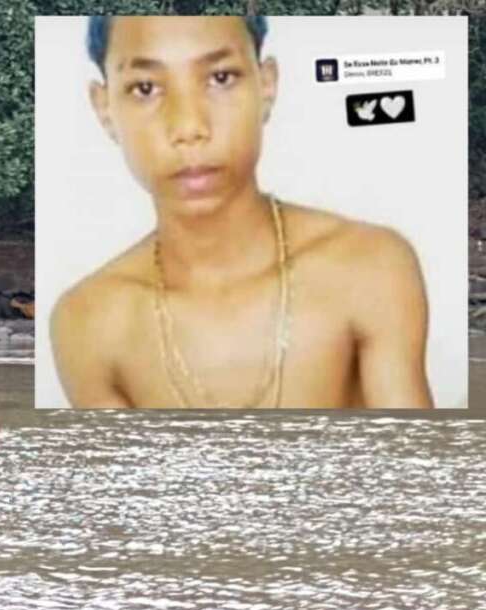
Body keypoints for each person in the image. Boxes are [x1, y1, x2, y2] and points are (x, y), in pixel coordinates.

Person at [50, 16, 432, 409]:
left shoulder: (369, 267)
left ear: (266, 83)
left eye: (220, 78)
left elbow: (413, 461)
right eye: (145, 88)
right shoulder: (90, 322)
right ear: (104, 107)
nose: (189, 126)